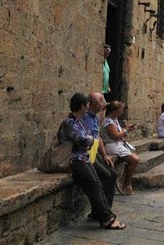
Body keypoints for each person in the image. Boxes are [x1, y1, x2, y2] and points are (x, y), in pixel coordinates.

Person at [58, 92, 126, 229]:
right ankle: (106, 218)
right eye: (86, 105)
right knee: (94, 185)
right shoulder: (69, 122)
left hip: (85, 157)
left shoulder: (80, 122)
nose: (87, 107)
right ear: (82, 106)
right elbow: (82, 140)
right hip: (74, 160)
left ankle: (106, 214)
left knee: (98, 184)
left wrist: (89, 140)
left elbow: (90, 137)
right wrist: (90, 140)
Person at [82, 93, 118, 209]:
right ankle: (100, 209)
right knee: (105, 175)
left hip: (95, 153)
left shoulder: (95, 118)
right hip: (87, 155)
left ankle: (107, 207)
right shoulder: (85, 118)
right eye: (101, 102)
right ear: (94, 104)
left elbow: (98, 137)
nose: (103, 104)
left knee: (113, 174)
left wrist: (105, 155)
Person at [101, 101, 139, 195]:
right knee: (134, 159)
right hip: (112, 145)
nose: (121, 112)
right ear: (114, 111)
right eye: (120, 110)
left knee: (135, 157)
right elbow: (115, 135)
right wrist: (126, 131)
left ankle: (124, 180)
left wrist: (126, 128)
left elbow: (119, 131)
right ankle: (126, 184)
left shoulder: (114, 120)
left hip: (118, 144)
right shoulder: (108, 122)